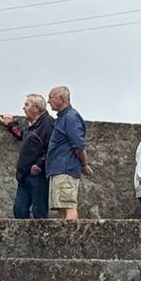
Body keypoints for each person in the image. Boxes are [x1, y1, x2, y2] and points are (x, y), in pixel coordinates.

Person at [0, 94, 54, 219]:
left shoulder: (47, 124)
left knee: (39, 211)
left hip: (37, 175)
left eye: (27, 105)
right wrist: (10, 125)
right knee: (19, 210)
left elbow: (51, 147)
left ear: (36, 107)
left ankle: (40, 238)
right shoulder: (33, 124)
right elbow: (23, 134)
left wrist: (40, 164)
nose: (24, 108)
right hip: (24, 174)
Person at [46, 85, 89, 220]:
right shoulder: (63, 118)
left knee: (68, 205)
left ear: (61, 98)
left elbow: (79, 145)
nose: (48, 101)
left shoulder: (71, 118)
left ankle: (72, 237)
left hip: (66, 169)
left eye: (51, 98)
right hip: (58, 169)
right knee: (60, 206)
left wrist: (84, 164)